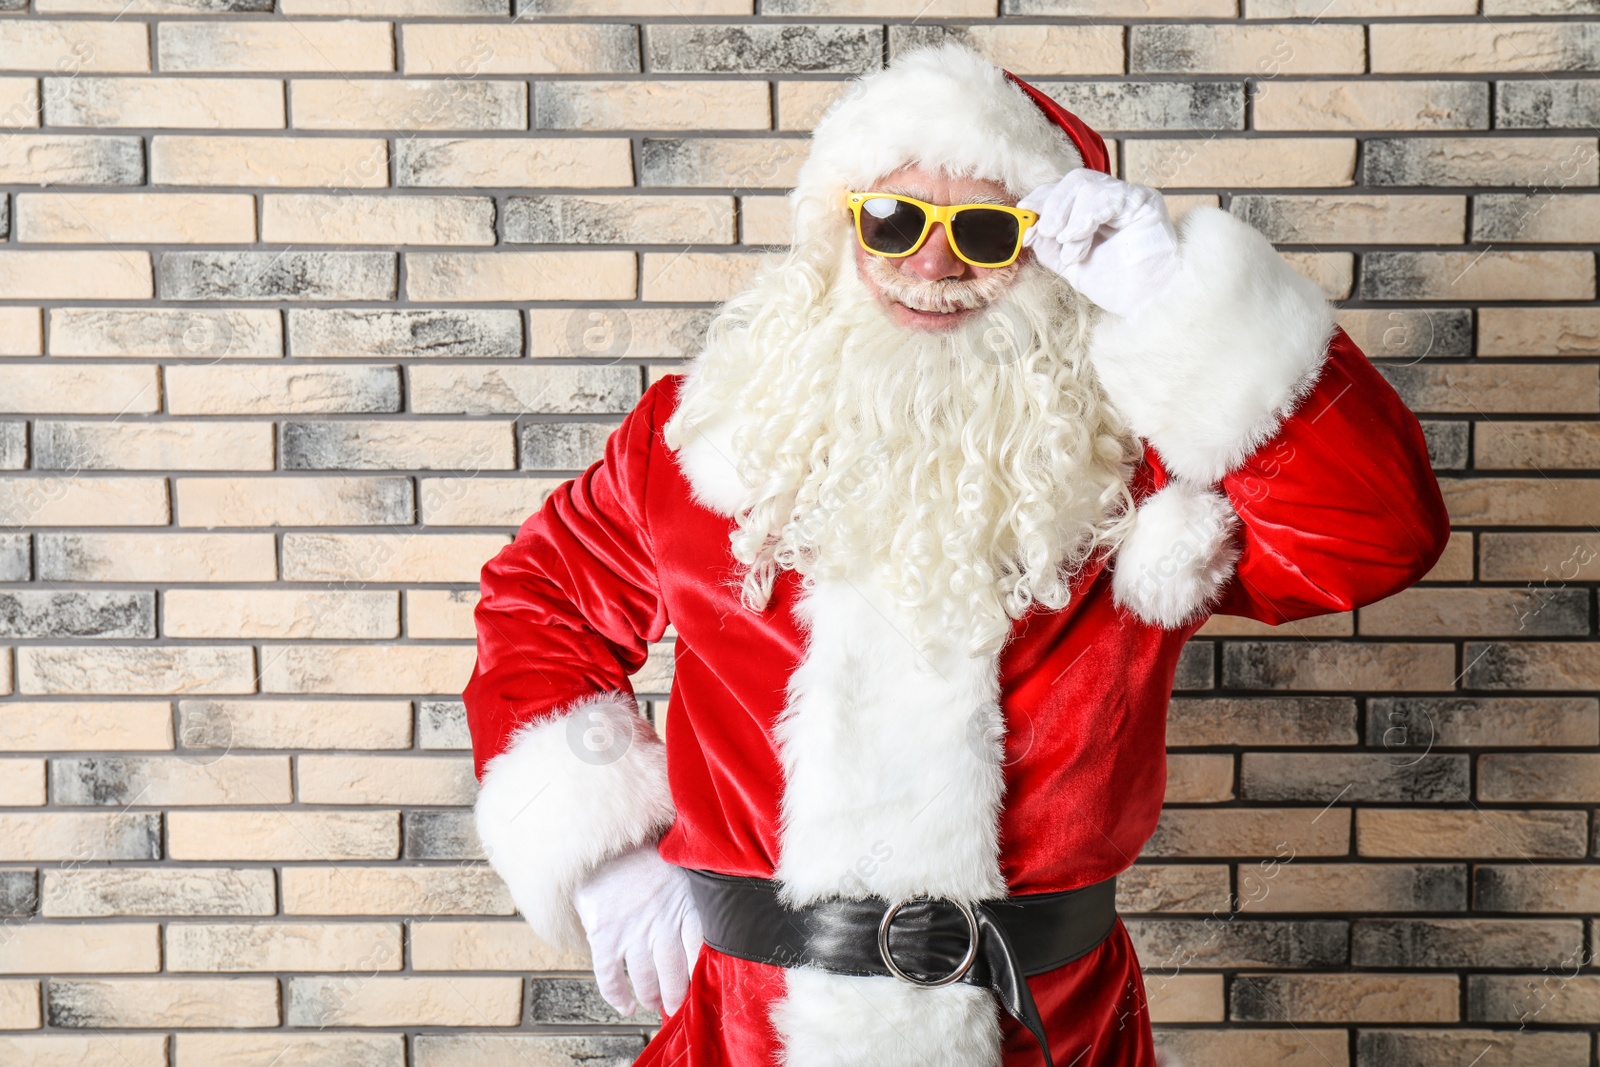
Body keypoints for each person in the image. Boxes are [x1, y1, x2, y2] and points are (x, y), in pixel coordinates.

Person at [463, 43, 1450, 1067]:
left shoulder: (1148, 461)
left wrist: (1180, 306)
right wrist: (606, 850)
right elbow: (541, 603)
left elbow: (1377, 532)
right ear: (840, 225)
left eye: (983, 231)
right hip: (747, 1026)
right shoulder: (702, 437)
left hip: (1045, 1029)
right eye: (891, 222)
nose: (931, 267)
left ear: (1049, 253)